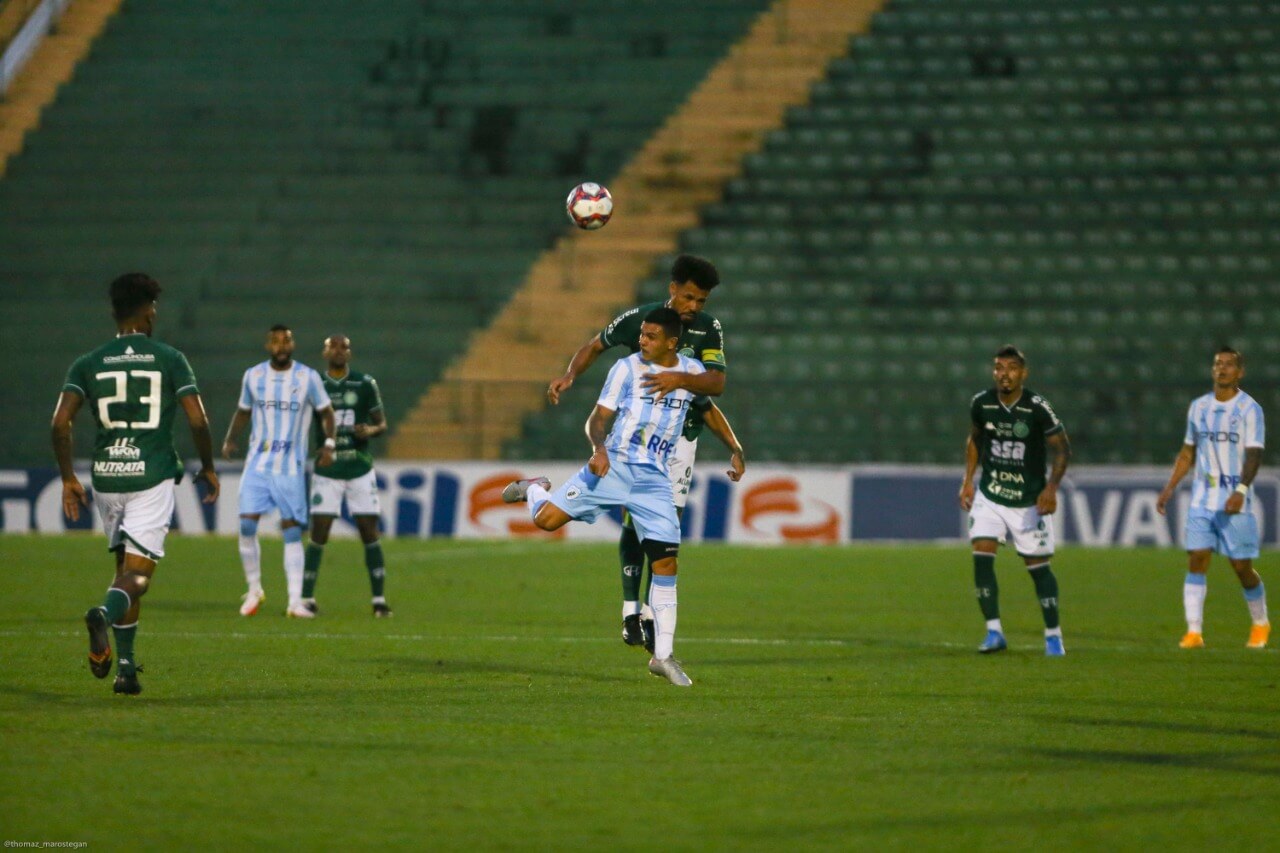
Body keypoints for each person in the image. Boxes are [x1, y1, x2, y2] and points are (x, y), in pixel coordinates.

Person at [507, 307, 703, 686]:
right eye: (641, 334)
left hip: (654, 480)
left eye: (650, 336)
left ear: (671, 343)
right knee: (545, 521)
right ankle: (534, 488)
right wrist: (599, 448)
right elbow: (599, 417)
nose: (642, 340)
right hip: (613, 465)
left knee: (666, 565)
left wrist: (734, 448)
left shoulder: (691, 373)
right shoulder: (626, 368)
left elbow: (714, 392)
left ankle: (663, 657)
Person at [52, 273, 220, 695]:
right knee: (140, 576)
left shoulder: (88, 362)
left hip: (107, 477)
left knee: (122, 573)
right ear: (148, 312)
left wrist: (68, 477)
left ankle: (125, 669)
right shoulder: (169, 357)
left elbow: (60, 422)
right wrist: (209, 465)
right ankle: (102, 617)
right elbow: (198, 418)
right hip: (150, 475)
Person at [546, 254, 725, 649]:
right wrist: (570, 375)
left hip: (682, 438)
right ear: (673, 290)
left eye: (702, 301)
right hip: (637, 442)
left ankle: (647, 613)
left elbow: (715, 382)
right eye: (690, 298)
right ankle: (631, 611)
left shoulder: (709, 329)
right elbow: (594, 346)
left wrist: (679, 378)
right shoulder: (641, 321)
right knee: (633, 520)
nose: (695, 307)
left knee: (665, 530)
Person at [958, 345, 1071, 656]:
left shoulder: (1037, 407)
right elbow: (975, 439)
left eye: (1010, 368)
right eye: (998, 368)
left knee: (1037, 566)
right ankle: (994, 631)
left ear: (1023, 373)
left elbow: (1062, 449)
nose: (1003, 374)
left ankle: (1053, 635)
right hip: (991, 493)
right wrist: (967, 481)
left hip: (1028, 500)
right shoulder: (981, 403)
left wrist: (1051, 488)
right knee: (981, 551)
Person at [1157, 346, 1268, 649]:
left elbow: (1254, 454)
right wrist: (1170, 488)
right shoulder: (1198, 407)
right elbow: (1187, 452)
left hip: (1235, 499)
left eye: (1229, 365)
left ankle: (1260, 623)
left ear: (1240, 372)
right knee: (1197, 559)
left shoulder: (1249, 409)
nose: (1222, 369)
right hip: (1202, 499)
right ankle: (1194, 632)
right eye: (1218, 364)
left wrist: (1241, 491)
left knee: (1241, 566)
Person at [222, 324, 336, 618]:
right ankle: (254, 588)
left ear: (292, 344)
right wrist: (231, 438)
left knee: (291, 531)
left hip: (290, 467)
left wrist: (330, 443)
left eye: (286, 341)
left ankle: (295, 601)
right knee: (247, 525)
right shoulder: (254, 375)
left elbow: (326, 411)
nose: (281, 346)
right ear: (267, 345)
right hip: (258, 463)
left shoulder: (307, 377)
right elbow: (244, 410)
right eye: (275, 341)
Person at [301, 334, 392, 617]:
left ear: (349, 354)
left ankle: (378, 600)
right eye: (334, 346)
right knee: (319, 532)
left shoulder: (365, 384)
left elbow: (382, 423)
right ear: (324, 352)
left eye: (344, 347)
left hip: (359, 468)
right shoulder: (314, 385)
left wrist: (370, 431)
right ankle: (306, 599)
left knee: (369, 532)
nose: (339, 351)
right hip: (328, 469)